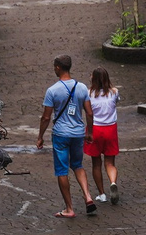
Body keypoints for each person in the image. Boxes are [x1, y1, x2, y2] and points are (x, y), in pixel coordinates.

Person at [36, 55, 94, 219]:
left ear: (58, 68)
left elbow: (46, 117)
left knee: (62, 170)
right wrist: (89, 132)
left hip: (61, 134)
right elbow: (89, 112)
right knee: (78, 165)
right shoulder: (82, 87)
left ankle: (69, 208)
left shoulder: (52, 90)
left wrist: (40, 136)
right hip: (78, 133)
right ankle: (88, 196)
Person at [85, 67, 123, 206]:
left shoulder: (88, 94)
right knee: (110, 162)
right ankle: (112, 182)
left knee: (96, 163)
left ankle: (102, 194)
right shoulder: (114, 92)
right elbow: (116, 102)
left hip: (95, 129)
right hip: (110, 129)